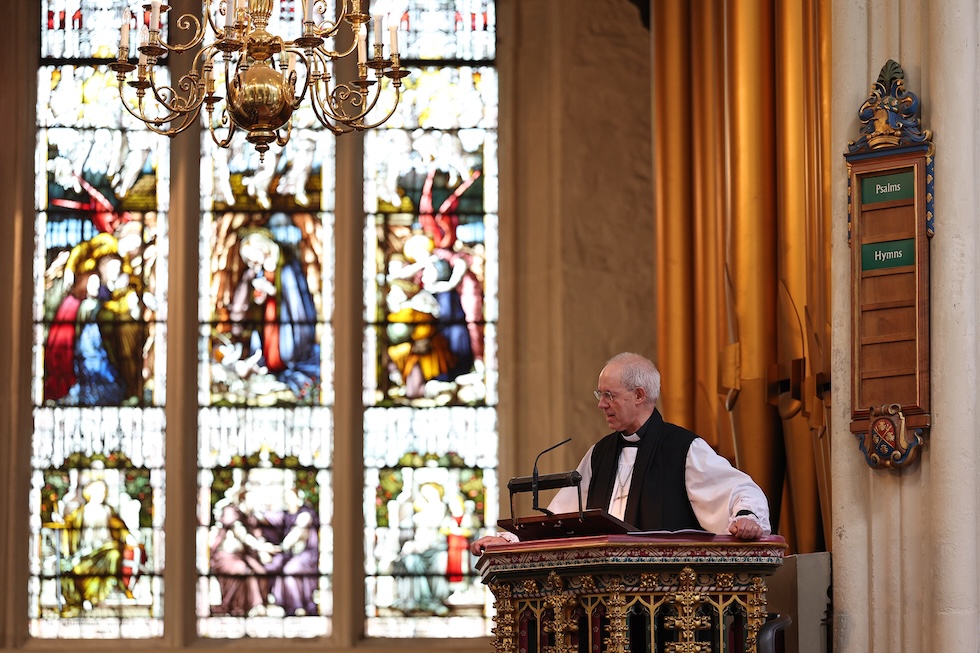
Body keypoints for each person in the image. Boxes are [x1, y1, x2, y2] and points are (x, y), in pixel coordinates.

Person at [470, 352, 771, 555]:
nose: (601, 404)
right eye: (600, 395)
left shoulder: (683, 449)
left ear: (639, 395)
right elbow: (561, 521)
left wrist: (747, 517)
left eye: (609, 395)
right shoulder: (599, 454)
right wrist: (509, 542)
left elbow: (740, 490)